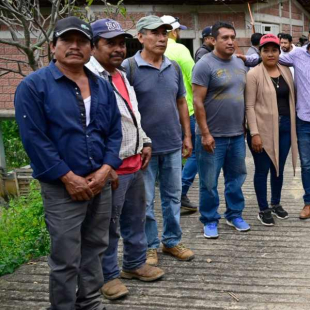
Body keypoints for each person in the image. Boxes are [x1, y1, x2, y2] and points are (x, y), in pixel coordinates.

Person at [14, 16, 122, 309]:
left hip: (100, 183)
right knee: (65, 256)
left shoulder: (102, 86)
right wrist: (68, 177)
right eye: (67, 41)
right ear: (53, 46)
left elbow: (114, 131)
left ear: (90, 47)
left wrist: (105, 170)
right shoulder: (33, 86)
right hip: (62, 188)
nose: (75, 47)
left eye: (82, 42)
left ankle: (89, 302)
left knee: (96, 248)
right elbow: (35, 139)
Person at [86, 18, 165, 300]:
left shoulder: (120, 74)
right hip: (110, 166)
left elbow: (133, 114)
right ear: (93, 46)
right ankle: (107, 276)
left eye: (121, 43)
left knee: (135, 218)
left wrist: (144, 141)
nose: (118, 49)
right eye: (110, 43)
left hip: (134, 161)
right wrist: (103, 165)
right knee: (107, 224)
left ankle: (133, 263)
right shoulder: (89, 78)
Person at [242, 17, 310, 221]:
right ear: (308, 36)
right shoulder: (297, 55)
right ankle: (309, 202)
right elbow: (268, 57)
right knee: (307, 165)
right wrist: (243, 59)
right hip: (303, 121)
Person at [123, 15, 195, 266]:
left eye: (164, 33)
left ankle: (172, 241)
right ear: (140, 37)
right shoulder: (128, 68)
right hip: (144, 149)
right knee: (145, 201)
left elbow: (180, 102)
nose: (161, 38)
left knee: (173, 196)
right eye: (154, 33)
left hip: (173, 143)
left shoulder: (173, 66)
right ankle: (150, 245)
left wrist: (187, 135)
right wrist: (138, 143)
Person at [192, 22, 250, 238]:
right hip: (211, 136)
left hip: (236, 134)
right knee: (208, 181)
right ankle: (209, 218)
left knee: (236, 178)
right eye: (224, 37)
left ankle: (234, 214)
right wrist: (205, 134)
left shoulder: (239, 64)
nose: (230, 41)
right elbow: (198, 102)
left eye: (232, 37)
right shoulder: (204, 65)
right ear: (213, 40)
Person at [245, 34, 296, 226]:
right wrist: (254, 133)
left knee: (278, 168)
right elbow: (249, 106)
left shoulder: (285, 71)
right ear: (260, 52)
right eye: (266, 50)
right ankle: (263, 208)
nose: (271, 53)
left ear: (279, 51)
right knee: (262, 169)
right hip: (263, 129)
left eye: (274, 50)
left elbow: (292, 98)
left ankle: (276, 203)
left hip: (285, 127)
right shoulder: (253, 74)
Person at [160, 15, 199, 212]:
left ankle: (171, 192)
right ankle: (180, 192)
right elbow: (195, 77)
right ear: (174, 32)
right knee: (196, 151)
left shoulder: (150, 51)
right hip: (187, 110)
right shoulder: (179, 49)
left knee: (174, 154)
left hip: (164, 114)